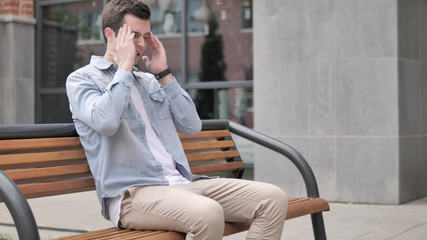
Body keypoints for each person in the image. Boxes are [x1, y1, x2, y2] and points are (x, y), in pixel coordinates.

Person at [66, 0, 288, 239]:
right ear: (110, 34)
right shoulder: (82, 80)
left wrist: (163, 73)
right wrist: (125, 66)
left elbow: (192, 126)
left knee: (273, 199)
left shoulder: (148, 81)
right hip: (133, 194)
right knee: (208, 213)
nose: (141, 44)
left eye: (146, 36)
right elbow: (106, 122)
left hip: (182, 183)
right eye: (134, 36)